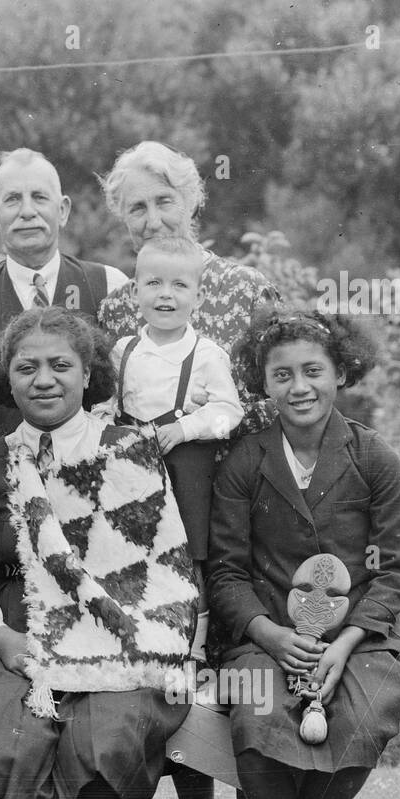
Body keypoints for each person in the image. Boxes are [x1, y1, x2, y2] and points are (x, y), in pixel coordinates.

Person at [0, 307, 199, 799]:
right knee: (4, 734)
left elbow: (163, 562)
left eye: (60, 365)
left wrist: (145, 632)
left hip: (120, 624)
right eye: (27, 367)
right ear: (5, 379)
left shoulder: (130, 452)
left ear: (87, 372)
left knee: (110, 731)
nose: (44, 379)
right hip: (21, 627)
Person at [96, 140, 281, 799]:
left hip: (232, 492)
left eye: (162, 201)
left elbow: (273, 391)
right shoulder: (119, 301)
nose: (149, 217)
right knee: (174, 651)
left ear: (192, 201)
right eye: (134, 206)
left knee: (235, 654)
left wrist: (211, 438)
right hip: (149, 496)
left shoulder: (241, 287)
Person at [210, 307, 400, 799]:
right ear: (263, 383)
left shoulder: (373, 457)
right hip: (266, 631)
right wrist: (269, 634)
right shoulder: (245, 461)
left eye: (313, 371)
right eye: (281, 375)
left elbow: (395, 570)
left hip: (360, 636)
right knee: (255, 712)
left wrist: (347, 639)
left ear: (340, 373)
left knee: (364, 717)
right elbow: (225, 572)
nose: (299, 387)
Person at [109, 233, 243, 659]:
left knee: (188, 556)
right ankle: (135, 640)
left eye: (179, 286)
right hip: (131, 464)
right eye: (153, 284)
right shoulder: (123, 350)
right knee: (130, 549)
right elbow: (106, 405)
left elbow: (229, 411)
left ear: (198, 296)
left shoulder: (206, 354)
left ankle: (195, 650)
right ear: (134, 292)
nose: (166, 295)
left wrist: (186, 429)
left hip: (185, 465)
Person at [0, 148, 130, 454]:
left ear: (63, 210)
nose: (27, 211)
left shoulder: (110, 284)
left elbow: (126, 394)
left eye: (39, 197)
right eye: (13, 199)